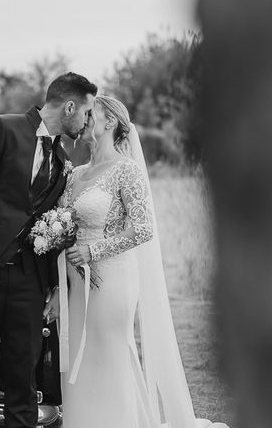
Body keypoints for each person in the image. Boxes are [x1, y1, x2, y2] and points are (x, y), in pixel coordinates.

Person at [43, 95, 230, 427]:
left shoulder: (126, 170)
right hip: (75, 281)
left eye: (91, 114)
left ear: (110, 122)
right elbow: (66, 228)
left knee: (110, 352)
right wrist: (61, 278)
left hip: (111, 278)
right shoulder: (76, 174)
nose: (85, 118)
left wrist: (93, 252)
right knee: (79, 360)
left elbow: (142, 229)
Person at [0, 73, 98, 428]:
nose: (87, 121)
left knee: (23, 382)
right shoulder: (2, 128)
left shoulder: (61, 160)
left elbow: (51, 224)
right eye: (86, 112)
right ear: (69, 106)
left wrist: (55, 287)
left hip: (29, 283)